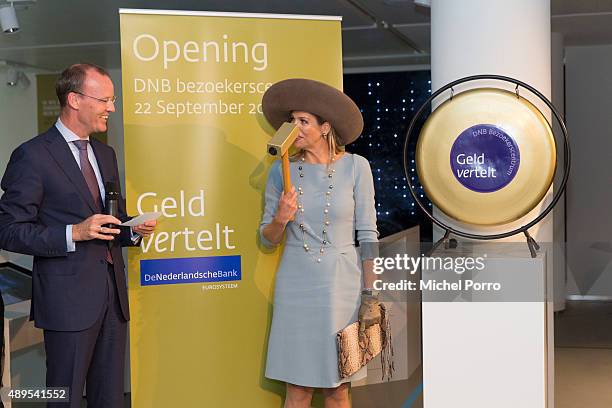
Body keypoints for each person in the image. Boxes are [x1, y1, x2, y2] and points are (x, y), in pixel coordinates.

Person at [0, 63, 156, 408]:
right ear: (74, 99)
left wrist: (132, 230)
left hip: (113, 301)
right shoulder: (32, 156)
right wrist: (74, 232)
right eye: (105, 100)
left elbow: (109, 219)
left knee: (109, 398)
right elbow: (9, 231)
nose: (111, 109)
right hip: (67, 304)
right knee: (65, 398)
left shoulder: (106, 154)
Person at [260, 78, 380, 408]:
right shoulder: (279, 172)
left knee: (339, 389)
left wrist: (370, 294)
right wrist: (280, 219)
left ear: (325, 126)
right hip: (296, 286)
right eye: (292, 121)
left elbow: (368, 235)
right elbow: (267, 239)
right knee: (297, 391)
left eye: (303, 121)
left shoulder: (357, 167)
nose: (295, 127)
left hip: (343, 287)